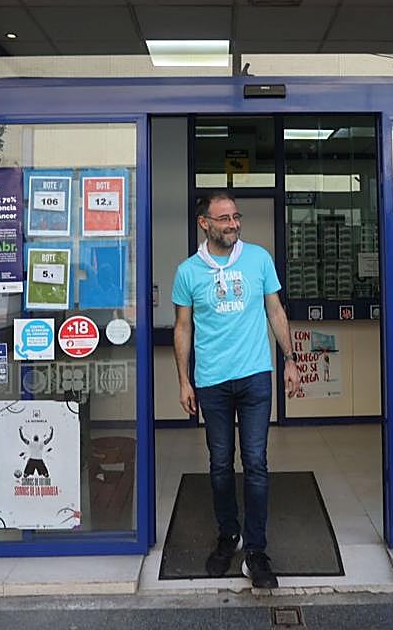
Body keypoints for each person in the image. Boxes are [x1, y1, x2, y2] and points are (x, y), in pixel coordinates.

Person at [172, 191, 299, 589]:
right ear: (204, 223)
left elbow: (275, 310)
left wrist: (290, 359)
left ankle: (256, 550)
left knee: (257, 462)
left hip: (256, 376)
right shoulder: (188, 272)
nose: (233, 224)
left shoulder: (259, 258)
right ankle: (229, 535)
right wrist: (183, 380)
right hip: (212, 380)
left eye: (236, 217)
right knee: (220, 464)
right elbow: (183, 328)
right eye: (224, 218)